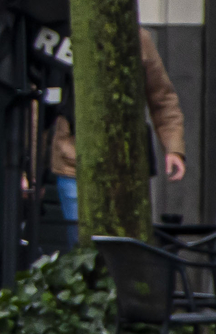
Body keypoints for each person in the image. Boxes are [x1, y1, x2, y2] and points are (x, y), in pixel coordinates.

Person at [50, 28, 187, 240]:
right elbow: (41, 107)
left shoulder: (137, 38)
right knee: (83, 246)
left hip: (126, 160)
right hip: (74, 160)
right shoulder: (63, 36)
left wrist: (173, 148)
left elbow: (162, 97)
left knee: (128, 243)